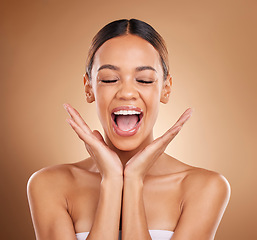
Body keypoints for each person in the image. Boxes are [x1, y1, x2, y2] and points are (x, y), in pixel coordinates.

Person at [27, 19, 231, 240]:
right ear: (89, 88)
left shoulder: (204, 188)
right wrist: (112, 182)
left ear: (166, 89)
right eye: (109, 79)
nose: (126, 93)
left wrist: (133, 181)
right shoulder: (49, 185)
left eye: (143, 80)